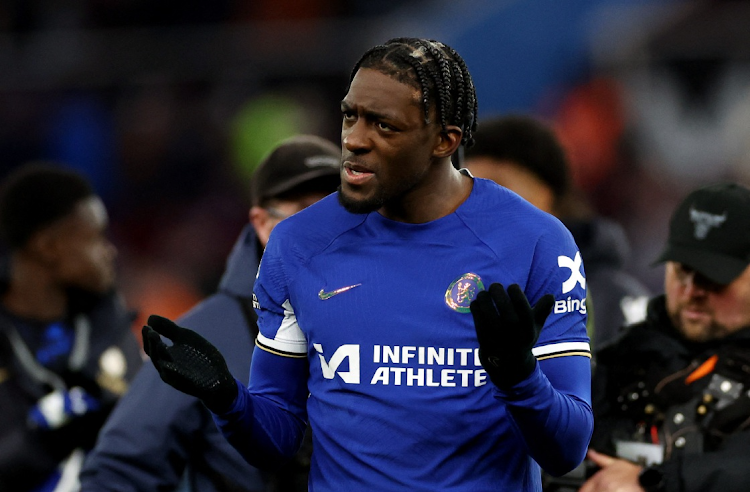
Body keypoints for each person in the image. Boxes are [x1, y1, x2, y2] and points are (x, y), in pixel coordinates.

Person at [143, 37, 594, 491]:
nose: (354, 141)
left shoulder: (536, 243)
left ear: (445, 140)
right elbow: (277, 442)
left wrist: (520, 380)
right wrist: (228, 400)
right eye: (350, 116)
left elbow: (566, 451)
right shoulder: (298, 243)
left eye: (384, 126)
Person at [78, 134, 342, 492]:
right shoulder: (207, 334)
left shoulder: (383, 322)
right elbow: (119, 471)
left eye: (336, 211)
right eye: (302, 212)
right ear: (262, 224)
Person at [581, 182, 750, 492]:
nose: (691, 291)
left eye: (713, 277)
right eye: (682, 271)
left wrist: (654, 482)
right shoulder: (622, 359)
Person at [0, 163, 143, 492]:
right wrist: (49, 439)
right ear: (48, 247)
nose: (110, 251)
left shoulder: (108, 324)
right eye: (96, 237)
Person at [464, 114, 651, 350]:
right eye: (470, 191)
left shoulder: (615, 302)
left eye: (497, 185)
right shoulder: (451, 292)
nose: (480, 205)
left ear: (547, 194)